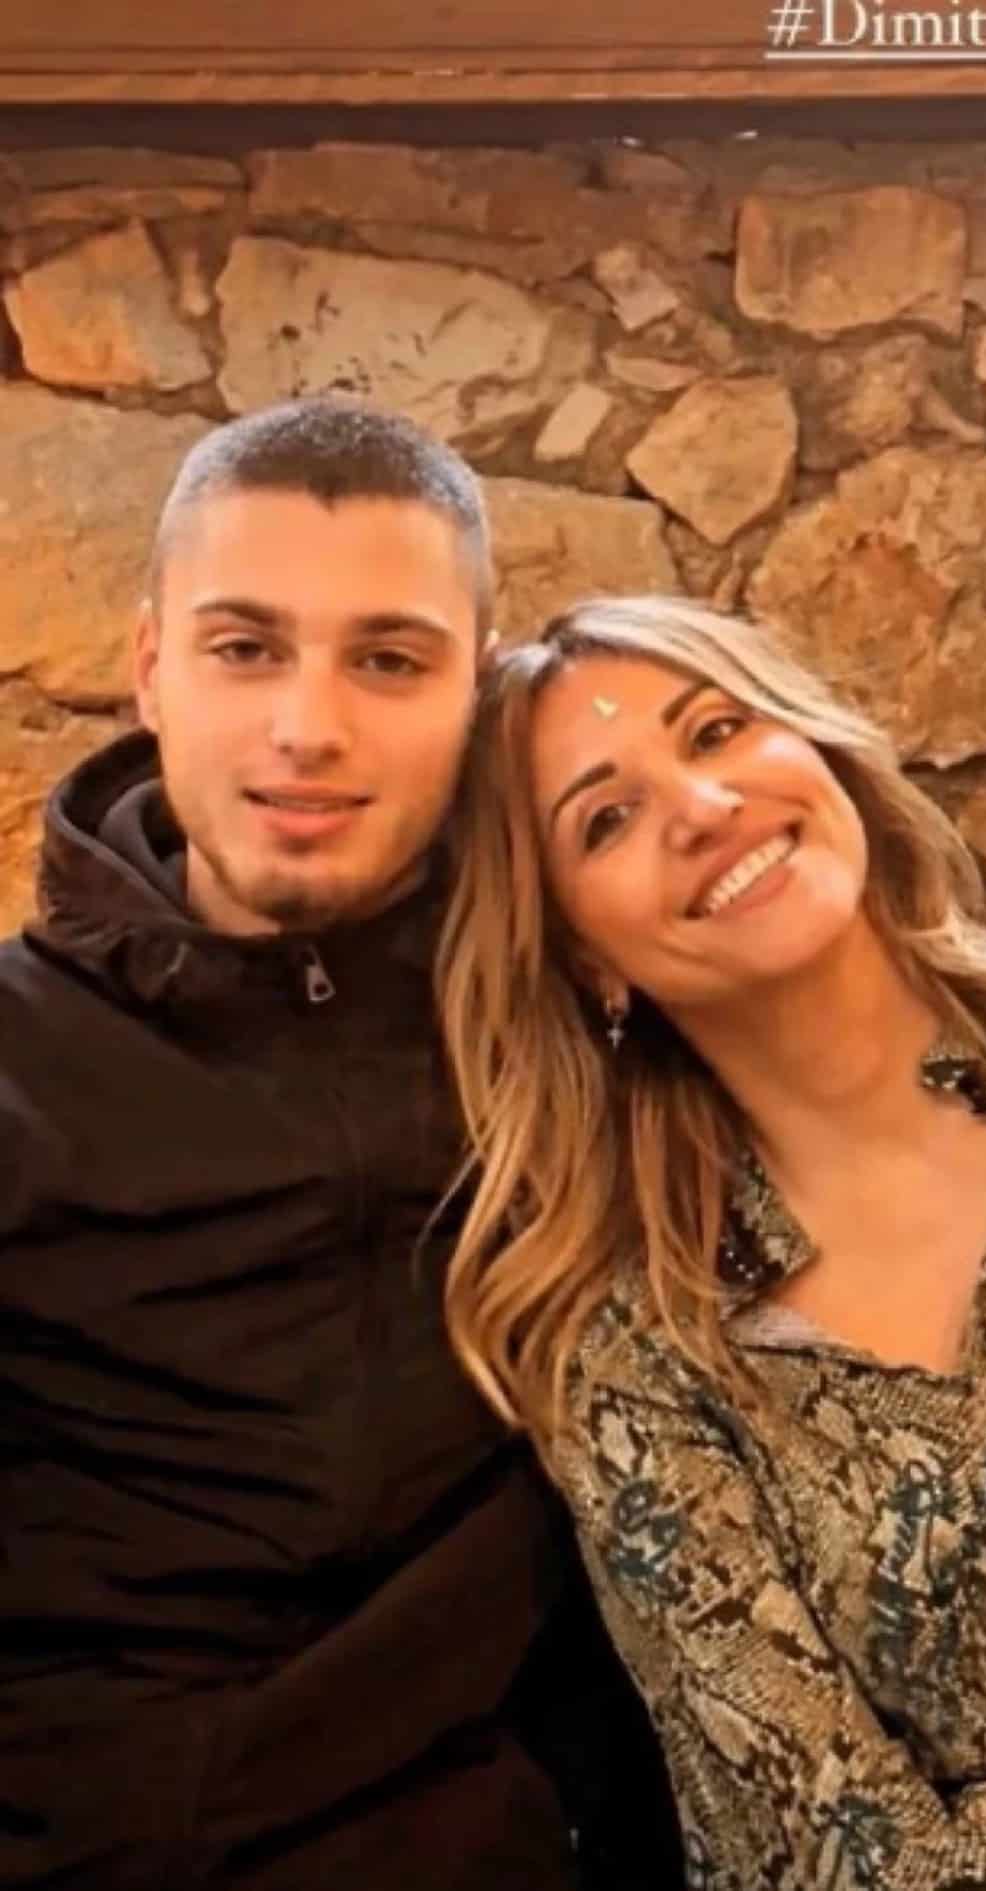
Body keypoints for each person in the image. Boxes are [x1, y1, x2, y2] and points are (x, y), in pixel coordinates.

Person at [0, 404, 681, 1890]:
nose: (308, 727)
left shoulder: (578, 1019)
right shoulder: (19, 1070)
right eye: (246, 647)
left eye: (387, 660)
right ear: (151, 669)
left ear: (476, 692)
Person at [437, 591, 986, 1891]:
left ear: (822, 752)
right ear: (583, 958)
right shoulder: (635, 1352)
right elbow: (817, 1847)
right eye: (607, 819)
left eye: (718, 730)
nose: (701, 805)